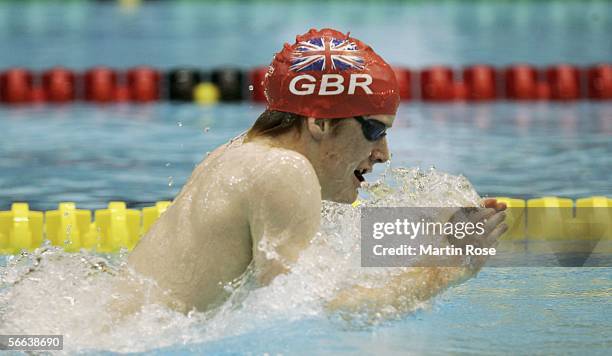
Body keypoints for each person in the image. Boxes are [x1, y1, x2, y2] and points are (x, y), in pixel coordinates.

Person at [109, 28, 507, 318]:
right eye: (374, 129)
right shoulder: (284, 170)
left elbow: (323, 255)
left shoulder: (242, 154)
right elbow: (302, 313)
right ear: (319, 123)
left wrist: (434, 232)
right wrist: (448, 268)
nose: (383, 153)